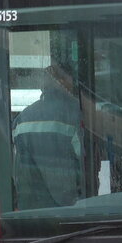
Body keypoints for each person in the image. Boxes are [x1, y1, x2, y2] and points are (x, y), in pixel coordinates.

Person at [13, 62, 84, 209]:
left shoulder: (21, 119)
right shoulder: (75, 113)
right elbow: (85, 162)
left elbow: (16, 169)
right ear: (63, 82)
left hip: (31, 210)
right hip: (68, 207)